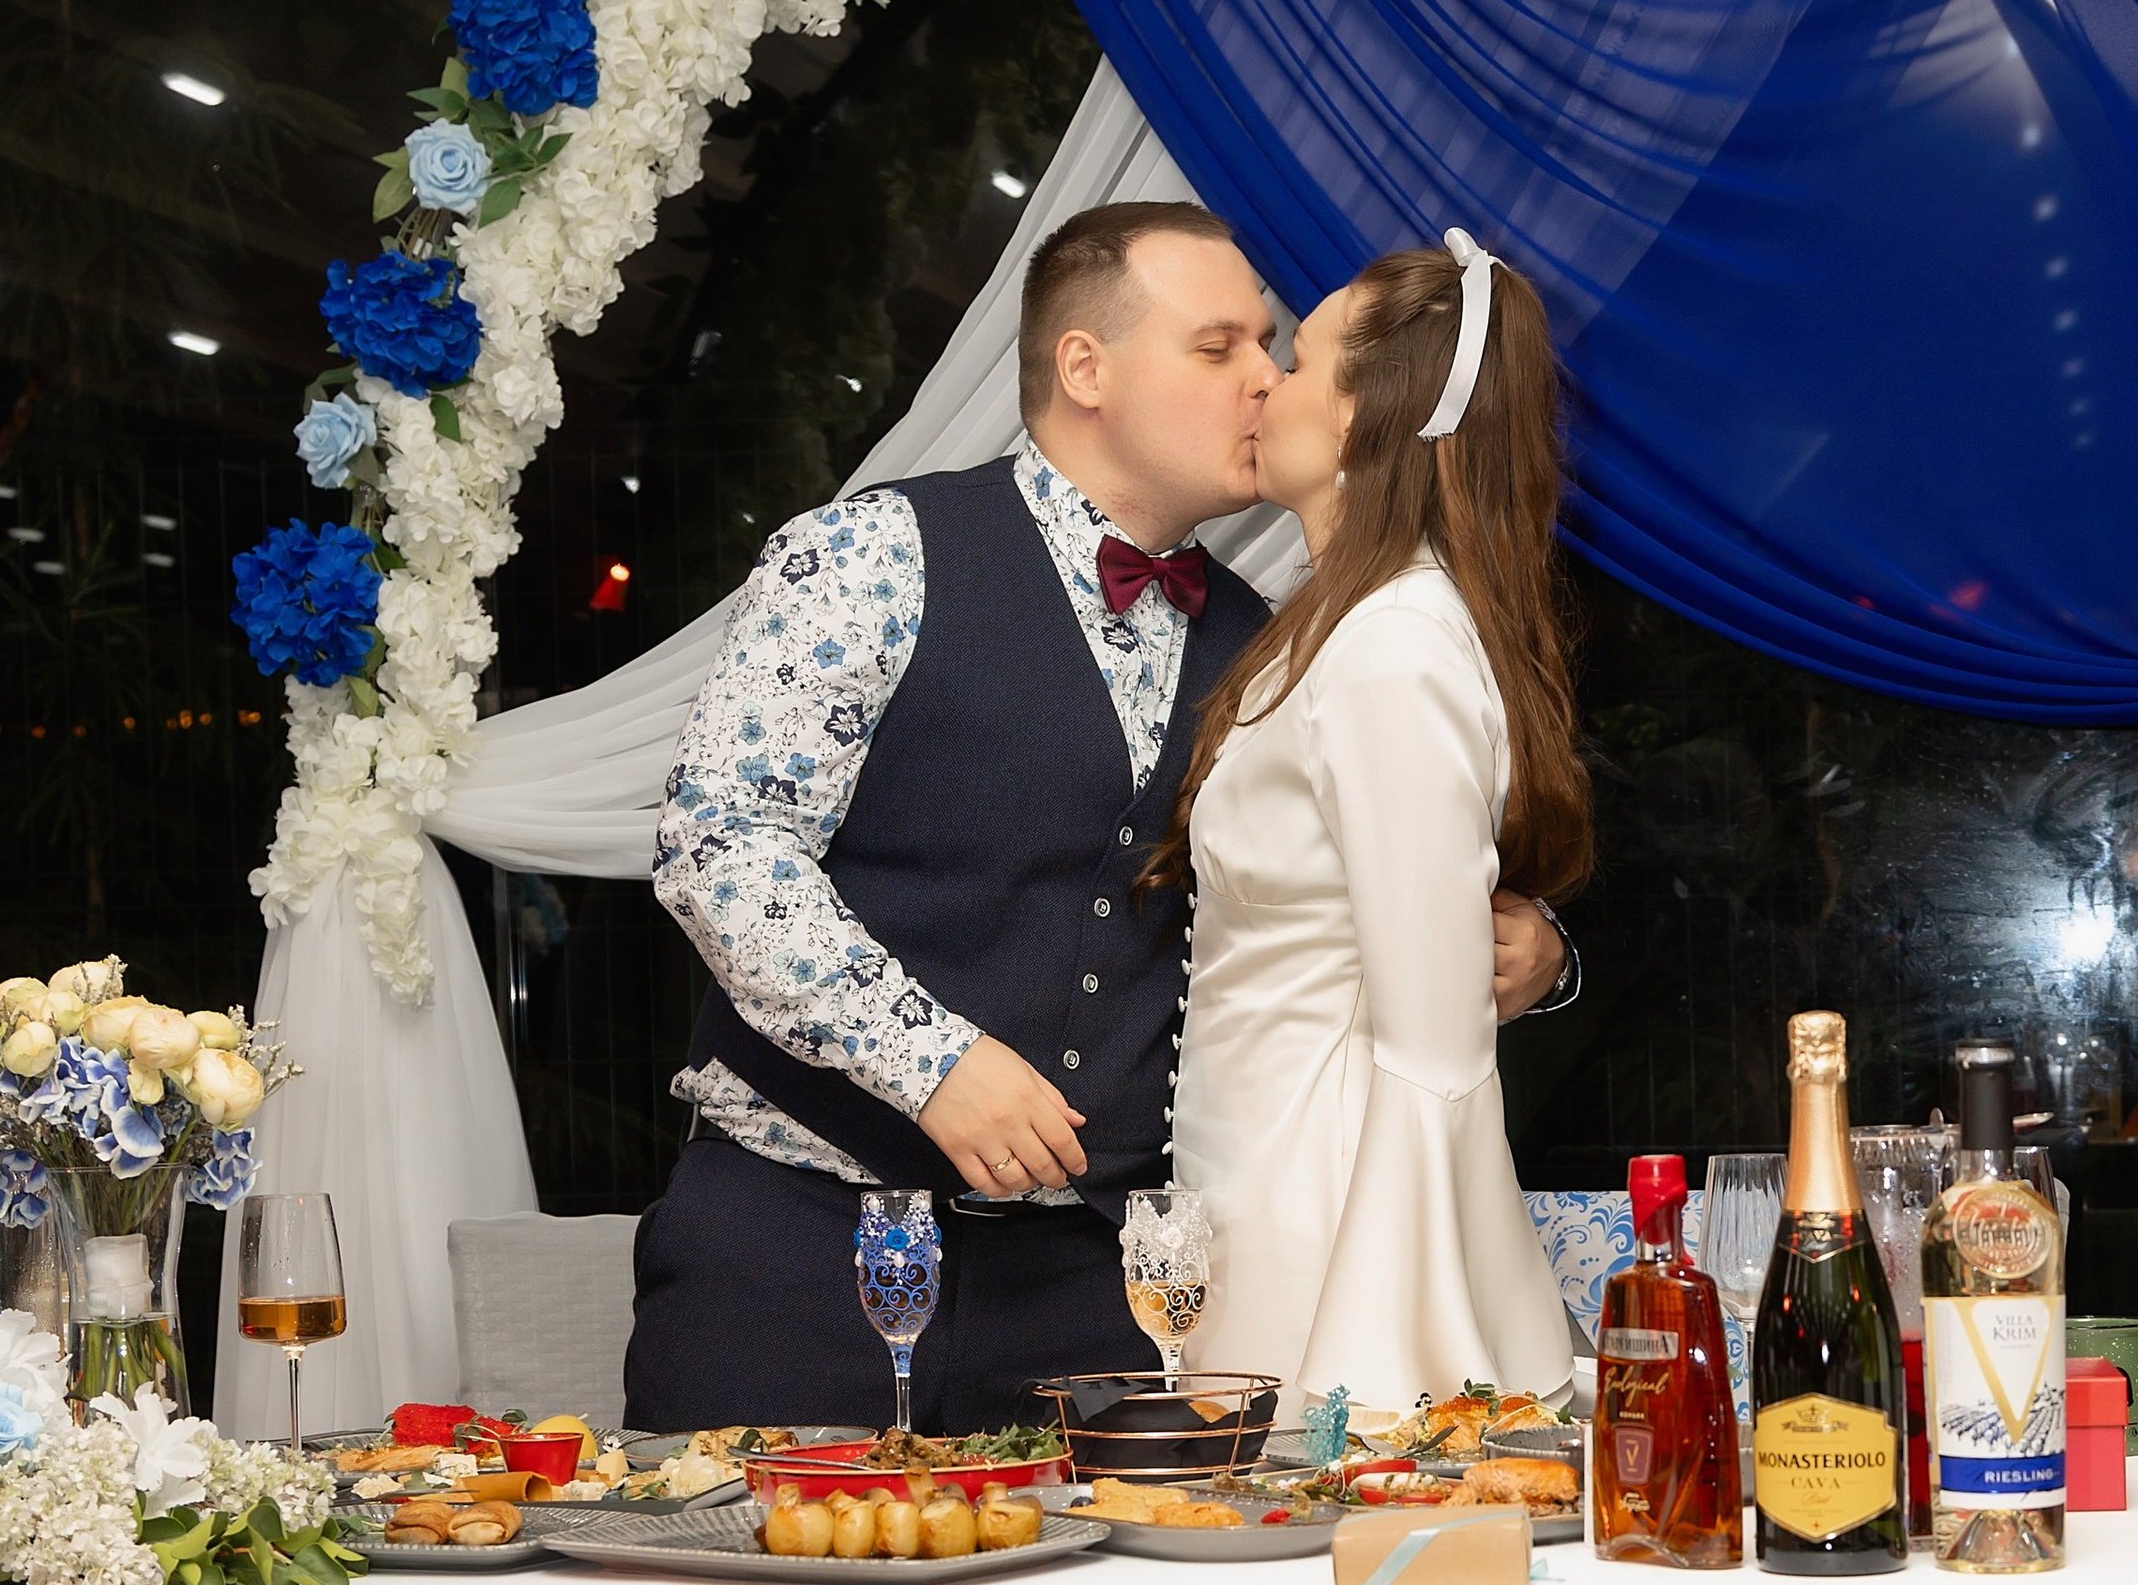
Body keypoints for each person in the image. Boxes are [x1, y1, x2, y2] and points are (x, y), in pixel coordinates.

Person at [626, 201, 1572, 1431]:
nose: (1262, 381)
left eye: (1274, 351)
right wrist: (933, 1062)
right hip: (805, 1249)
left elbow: (1329, 902)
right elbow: (718, 848)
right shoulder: (869, 554)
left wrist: (1534, 946)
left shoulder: (1288, 643)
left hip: (1106, 1301)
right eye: (1218, 346)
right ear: (1086, 368)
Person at [1164, 233, 1589, 1418]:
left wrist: (1384, 1349)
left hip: (1334, 1208)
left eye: (1292, 362)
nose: (1261, 385)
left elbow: (1430, 1044)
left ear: (1366, 417)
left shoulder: (1393, 647)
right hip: (1255, 1176)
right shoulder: (1328, 627)